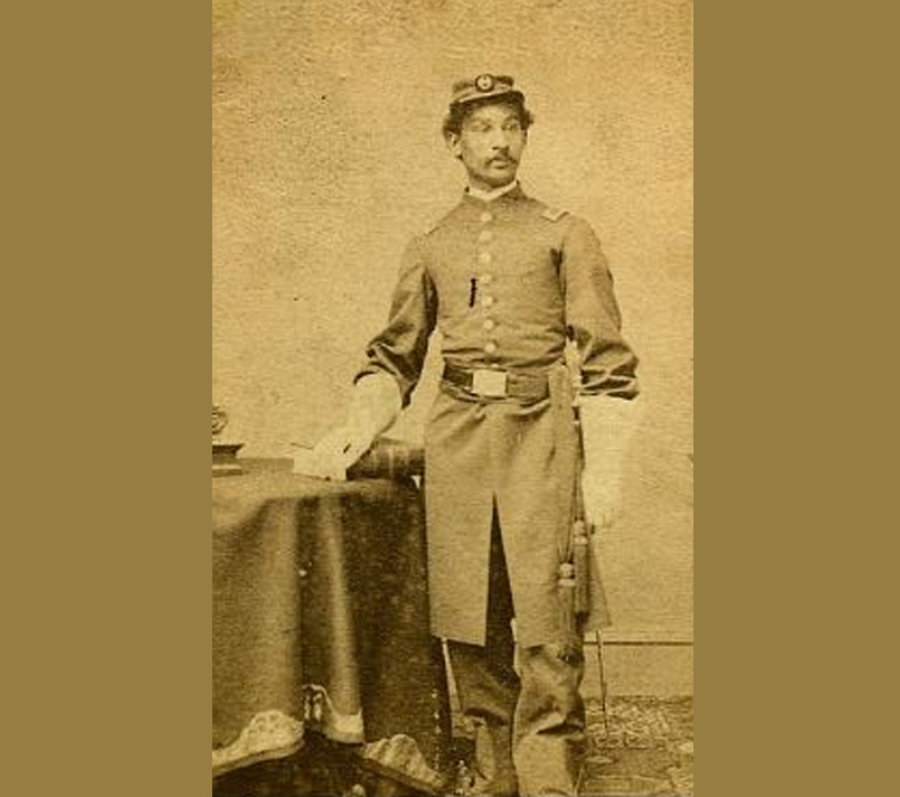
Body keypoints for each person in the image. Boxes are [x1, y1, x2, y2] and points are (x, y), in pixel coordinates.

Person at [306, 74, 641, 796]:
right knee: (469, 614)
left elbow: (608, 359)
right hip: (458, 440)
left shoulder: (564, 231)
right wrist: (358, 424)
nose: (500, 141)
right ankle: (495, 778)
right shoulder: (430, 243)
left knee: (550, 619)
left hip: (541, 437)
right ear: (454, 143)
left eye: (511, 127)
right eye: (483, 129)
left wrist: (604, 467)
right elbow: (394, 355)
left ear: (525, 135)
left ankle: (550, 781)